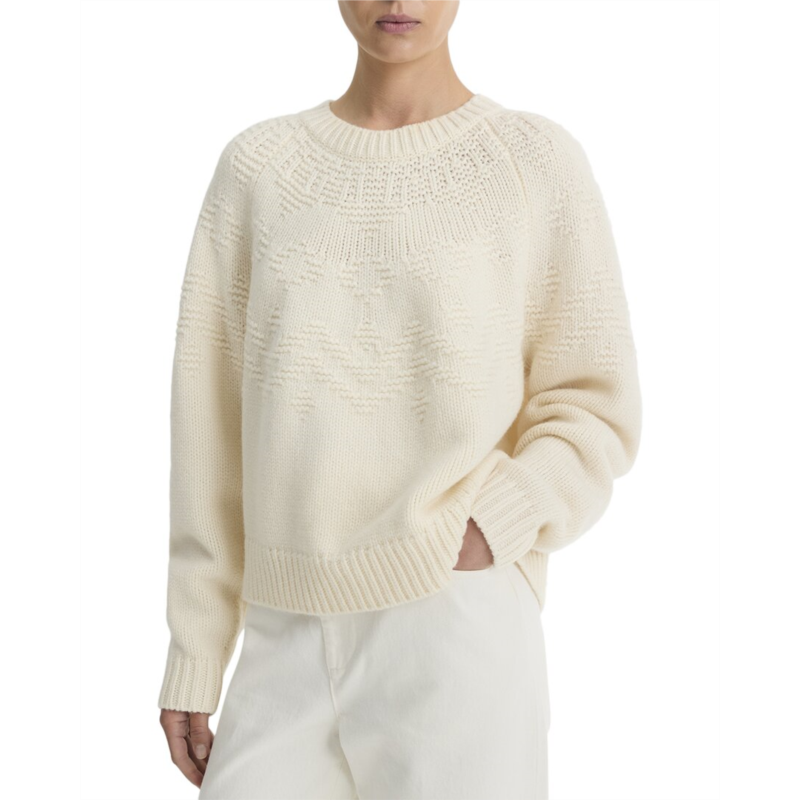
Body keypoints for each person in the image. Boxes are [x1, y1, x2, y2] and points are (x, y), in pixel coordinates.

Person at [157, 1, 642, 797]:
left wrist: (493, 523)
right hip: (282, 629)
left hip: (453, 623)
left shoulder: (532, 162)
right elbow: (209, 427)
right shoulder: (258, 169)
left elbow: (593, 401)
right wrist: (197, 648)